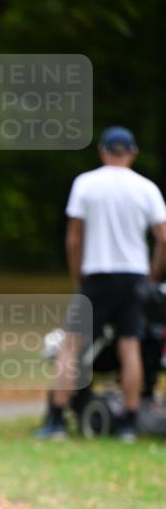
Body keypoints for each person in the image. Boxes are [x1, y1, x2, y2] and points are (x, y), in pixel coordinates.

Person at [38, 126, 166, 442]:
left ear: (103, 151)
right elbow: (163, 237)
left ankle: (55, 420)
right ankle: (128, 422)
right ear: (133, 152)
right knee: (130, 346)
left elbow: (73, 238)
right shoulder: (146, 188)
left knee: (71, 347)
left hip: (96, 274)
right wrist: (151, 275)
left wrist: (77, 277)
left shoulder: (86, 184)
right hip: (134, 276)